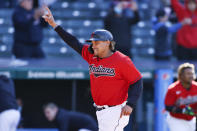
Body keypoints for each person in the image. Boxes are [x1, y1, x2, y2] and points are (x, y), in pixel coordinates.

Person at [42, 6, 143, 131]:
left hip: (115, 110)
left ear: (107, 43)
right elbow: (73, 42)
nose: (93, 45)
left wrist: (131, 104)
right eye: (92, 42)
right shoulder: (92, 55)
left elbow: (137, 81)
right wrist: (54, 25)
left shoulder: (122, 60)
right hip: (101, 111)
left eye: (96, 43)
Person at [165, 63, 197, 131]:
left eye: (192, 73)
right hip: (176, 120)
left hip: (191, 120)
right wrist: (184, 110)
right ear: (181, 76)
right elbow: (168, 107)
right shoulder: (173, 88)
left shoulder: (196, 87)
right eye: (188, 74)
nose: (191, 76)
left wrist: (192, 111)